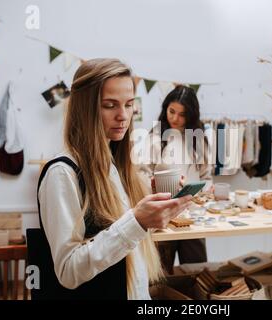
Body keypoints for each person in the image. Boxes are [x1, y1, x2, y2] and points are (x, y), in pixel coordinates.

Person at [37, 58, 193, 299]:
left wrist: (155, 202)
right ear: (84, 108)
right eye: (110, 105)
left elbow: (124, 246)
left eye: (129, 104)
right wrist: (137, 221)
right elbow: (68, 271)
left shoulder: (115, 165)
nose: (123, 116)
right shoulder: (62, 173)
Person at [139, 85, 213, 274]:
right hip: (162, 215)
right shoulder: (155, 137)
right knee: (160, 273)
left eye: (182, 114)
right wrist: (157, 188)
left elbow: (206, 176)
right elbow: (142, 175)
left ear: (191, 115)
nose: (175, 118)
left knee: (196, 271)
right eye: (172, 111)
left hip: (192, 215)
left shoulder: (198, 139)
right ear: (165, 108)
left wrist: (206, 191)